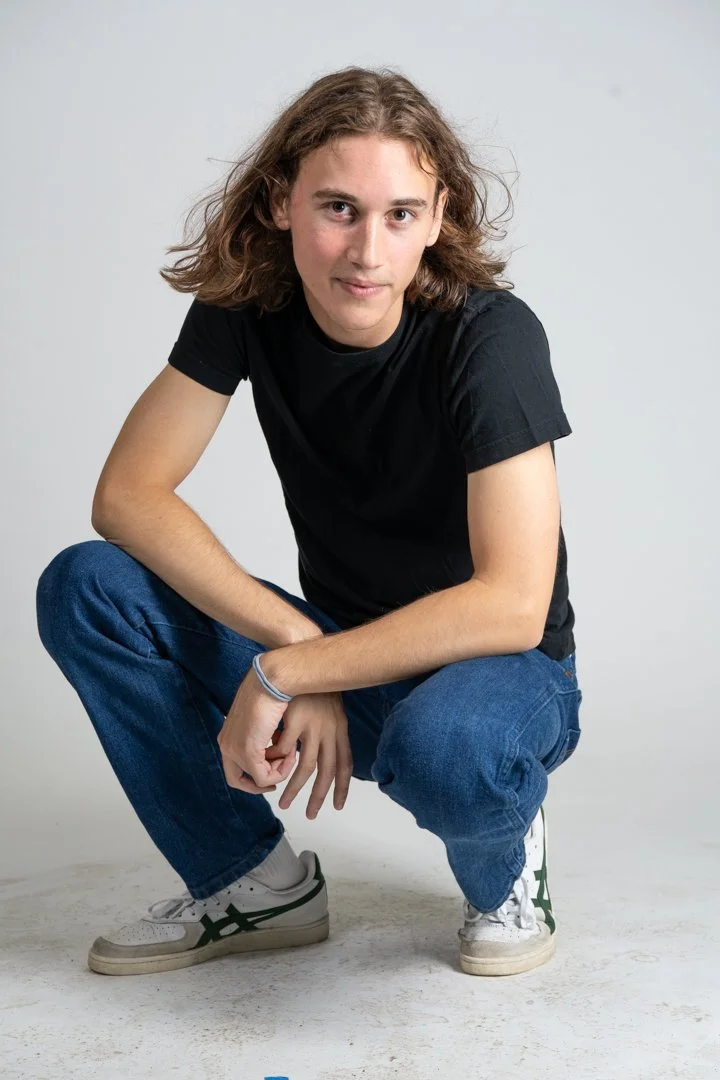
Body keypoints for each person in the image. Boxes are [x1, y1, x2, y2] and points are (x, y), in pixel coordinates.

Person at [35, 65, 583, 979]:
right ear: (282, 201)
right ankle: (251, 882)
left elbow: (513, 605)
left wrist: (292, 670)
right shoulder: (250, 309)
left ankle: (505, 872)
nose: (366, 250)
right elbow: (127, 496)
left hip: (500, 676)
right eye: (338, 208)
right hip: (340, 654)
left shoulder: (491, 338)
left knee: (449, 747)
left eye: (399, 214)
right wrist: (299, 643)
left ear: (438, 217)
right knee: (88, 587)